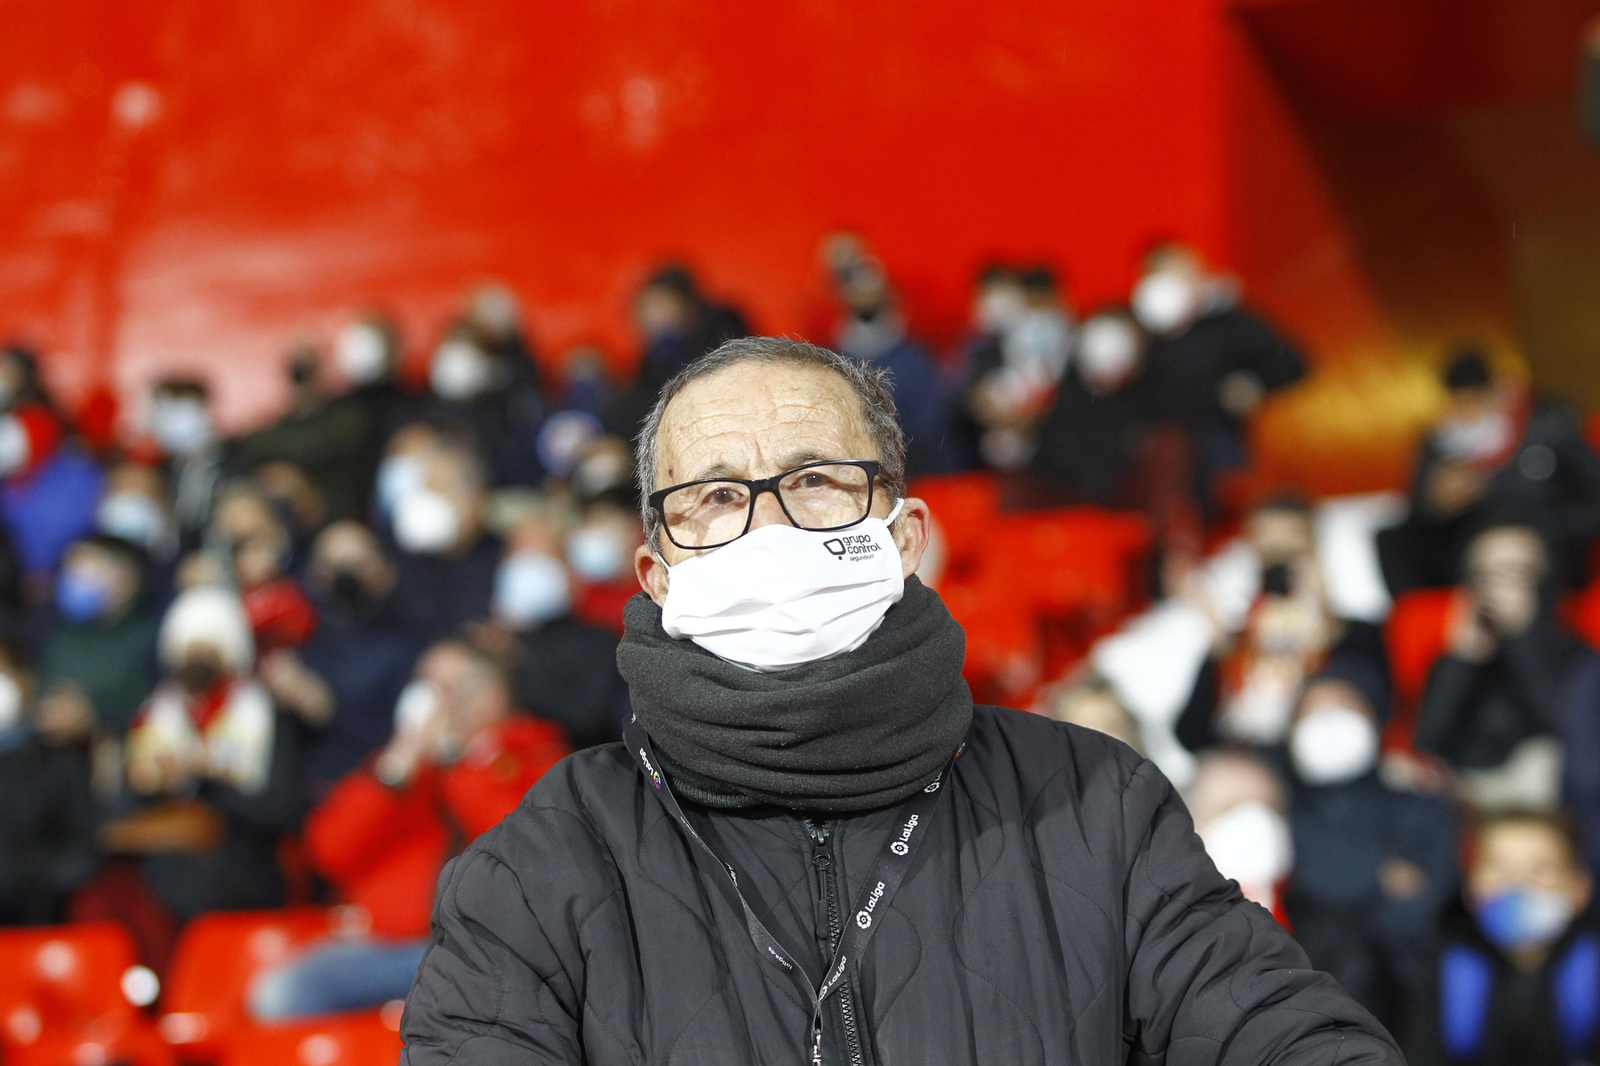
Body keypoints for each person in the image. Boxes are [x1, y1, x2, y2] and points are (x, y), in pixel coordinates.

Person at [400, 337, 1399, 1064]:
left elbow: (1280, 1030)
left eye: (817, 480)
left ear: (906, 536)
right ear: (656, 576)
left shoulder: (1094, 804)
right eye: (712, 496)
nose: (766, 527)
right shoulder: (544, 863)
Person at [252, 641, 569, 1020]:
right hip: (391, 948)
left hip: (494, 951)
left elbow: (523, 851)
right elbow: (328, 851)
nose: (432, 701)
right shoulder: (401, 769)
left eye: (448, 687)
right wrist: (392, 773)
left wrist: (462, 763)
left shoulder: (532, 755)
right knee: (282, 994)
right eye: (425, 684)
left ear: (493, 694)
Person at [103, 586, 301, 924]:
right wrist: (157, 781)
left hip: (239, 856)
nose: (195, 660)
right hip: (158, 850)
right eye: (187, 648)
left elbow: (277, 809)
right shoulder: (154, 715)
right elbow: (122, 802)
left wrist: (207, 774)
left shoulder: (265, 716)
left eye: (207, 649)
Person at [1284, 661, 1460, 1035]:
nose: (1329, 721)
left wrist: (1337, 879)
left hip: (1411, 995)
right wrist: (1379, 873)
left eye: (1346, 705)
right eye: (1313, 710)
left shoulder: (1425, 805)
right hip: (1303, 1006)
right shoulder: (1281, 801)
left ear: (1374, 719)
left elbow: (1423, 906)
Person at [1379, 347, 1600, 594]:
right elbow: (1415, 514)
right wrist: (1436, 505)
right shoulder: (1440, 441)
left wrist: (1543, 527)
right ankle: (1419, 616)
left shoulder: (1549, 425)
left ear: (1497, 391)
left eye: (1476, 401)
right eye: (1461, 404)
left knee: (1513, 553)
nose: (1470, 414)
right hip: (1469, 547)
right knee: (1390, 539)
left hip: (1544, 542)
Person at [1414, 522, 1593, 812]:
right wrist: (1464, 657)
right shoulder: (1459, 653)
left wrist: (1523, 636)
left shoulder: (1574, 652)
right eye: (1487, 574)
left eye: (1516, 572)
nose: (1499, 587)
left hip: (1542, 791)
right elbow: (1428, 740)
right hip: (1463, 787)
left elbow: (1571, 728)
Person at [1407, 811, 1600, 1066]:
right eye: (1498, 868)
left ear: (1579, 889)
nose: (1516, 884)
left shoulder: (1592, 962)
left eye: (1540, 869)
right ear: (1470, 889)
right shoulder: (1442, 963)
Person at [1133, 243, 1305, 521]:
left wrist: (1254, 384)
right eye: (1160, 276)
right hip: (1153, 451)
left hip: (1216, 442)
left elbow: (1293, 362)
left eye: (1179, 275)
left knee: (1226, 502)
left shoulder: (1230, 323)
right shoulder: (1133, 329)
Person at [266, 521, 422, 797]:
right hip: (282, 792)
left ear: (383, 571)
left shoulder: (403, 649)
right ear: (314, 573)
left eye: (357, 564)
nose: (344, 577)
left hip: (355, 791)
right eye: (334, 565)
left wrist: (327, 709)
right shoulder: (294, 633)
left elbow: (400, 739)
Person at [480, 514, 626, 749]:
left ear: (570, 573)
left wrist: (517, 659)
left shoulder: (596, 642)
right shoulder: (481, 640)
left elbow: (585, 720)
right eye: (520, 556)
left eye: (543, 559)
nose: (528, 570)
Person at [0, 637, 101, 925]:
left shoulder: (58, 760)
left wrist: (35, 886)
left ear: (25, 680)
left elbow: (82, 845)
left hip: (40, 918)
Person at [833, 256, 963, 475]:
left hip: (916, 471)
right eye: (857, 289)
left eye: (871, 288)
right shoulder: (836, 358)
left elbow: (931, 424)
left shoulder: (914, 356)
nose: (864, 296)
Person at [383, 427, 504, 642]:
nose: (427, 502)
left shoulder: (504, 562)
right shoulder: (393, 560)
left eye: (442, 489)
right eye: (426, 490)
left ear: (476, 499)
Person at [37, 534, 160, 737]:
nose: (72, 579)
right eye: (70, 568)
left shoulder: (151, 633)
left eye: (85, 570)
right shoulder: (60, 632)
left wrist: (93, 716)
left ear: (126, 577)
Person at [147, 377, 225, 551]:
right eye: (160, 411)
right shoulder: (160, 469)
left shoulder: (232, 463)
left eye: (175, 410)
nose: (165, 420)